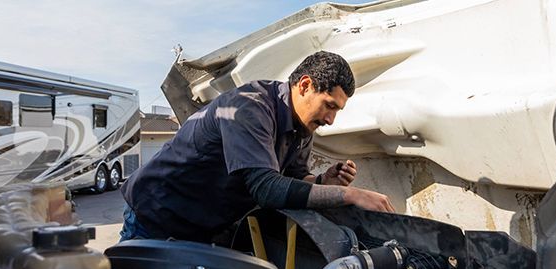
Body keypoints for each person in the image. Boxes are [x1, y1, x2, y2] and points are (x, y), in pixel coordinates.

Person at [120, 51, 395, 244]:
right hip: (155, 217)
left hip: (201, 229)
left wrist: (324, 181)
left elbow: (294, 179)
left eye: (337, 110)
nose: (331, 119)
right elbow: (266, 188)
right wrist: (348, 195)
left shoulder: (302, 128)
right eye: (329, 105)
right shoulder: (249, 107)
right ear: (305, 85)